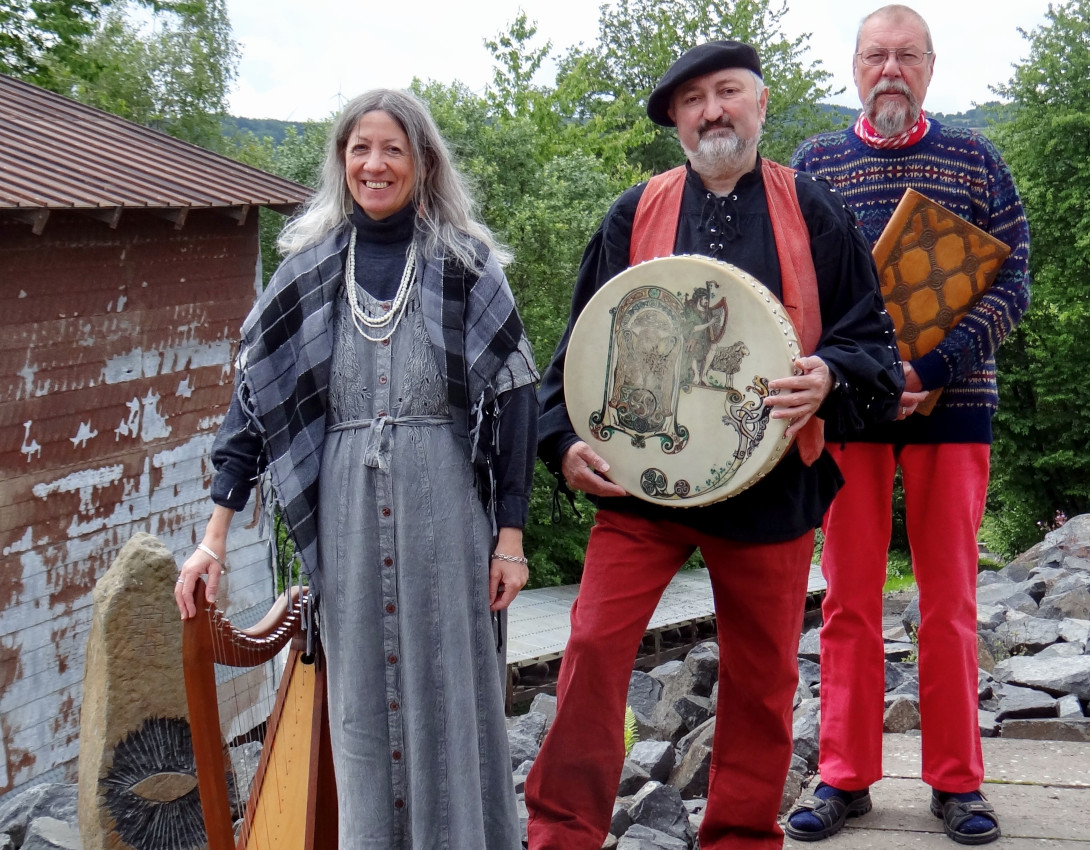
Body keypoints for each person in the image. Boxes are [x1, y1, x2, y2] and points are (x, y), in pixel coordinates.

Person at [525, 41, 904, 850]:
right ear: (677, 125)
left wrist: (829, 377)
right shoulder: (633, 215)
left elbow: (873, 344)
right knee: (590, 650)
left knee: (762, 682)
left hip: (768, 487)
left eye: (728, 92)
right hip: (642, 487)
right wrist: (561, 445)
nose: (712, 111)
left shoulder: (814, 209)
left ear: (762, 104)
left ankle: (740, 837)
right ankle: (560, 835)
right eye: (692, 101)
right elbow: (576, 359)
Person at [174, 89, 539, 849]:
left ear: (423, 162)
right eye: (359, 150)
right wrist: (213, 538)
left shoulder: (468, 266)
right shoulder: (306, 272)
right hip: (343, 520)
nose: (375, 165)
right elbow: (252, 407)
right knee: (362, 710)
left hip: (447, 508)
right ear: (342, 164)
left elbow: (516, 407)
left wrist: (510, 540)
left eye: (392, 149)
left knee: (454, 696)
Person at [788, 5, 1030, 845]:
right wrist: (854, 375)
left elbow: (1014, 282)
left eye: (907, 55)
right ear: (854, 67)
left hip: (954, 409)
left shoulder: (977, 158)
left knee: (951, 604)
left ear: (930, 66)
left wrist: (933, 371)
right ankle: (843, 776)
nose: (890, 68)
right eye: (875, 55)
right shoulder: (812, 164)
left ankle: (958, 782)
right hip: (849, 412)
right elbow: (796, 289)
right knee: (848, 601)